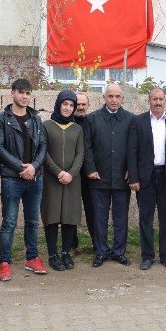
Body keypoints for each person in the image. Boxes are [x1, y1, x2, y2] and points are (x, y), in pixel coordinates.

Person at [0, 79, 48, 281]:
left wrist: (33, 167)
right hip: (11, 179)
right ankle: (4, 262)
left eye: (28, 93)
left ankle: (32, 258)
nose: (25, 97)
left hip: (34, 177)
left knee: (33, 221)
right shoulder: (1, 118)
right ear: (12, 93)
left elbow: (43, 146)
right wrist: (20, 167)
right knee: (9, 222)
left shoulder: (35, 118)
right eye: (21, 92)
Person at [128, 88, 166, 270]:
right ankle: (147, 256)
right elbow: (132, 152)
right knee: (145, 218)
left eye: (161, 99)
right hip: (146, 177)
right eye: (155, 99)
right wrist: (134, 178)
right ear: (149, 101)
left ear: (165, 101)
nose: (158, 102)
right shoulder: (139, 121)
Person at [84, 83, 134, 267]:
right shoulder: (92, 119)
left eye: (117, 96)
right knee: (99, 217)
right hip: (99, 177)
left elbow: (134, 148)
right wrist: (90, 168)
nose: (114, 100)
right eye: (110, 96)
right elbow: (87, 147)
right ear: (104, 98)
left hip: (122, 177)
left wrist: (132, 169)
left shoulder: (130, 119)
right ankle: (101, 251)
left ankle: (119, 251)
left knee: (121, 216)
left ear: (122, 98)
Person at [41, 90, 85, 271]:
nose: (68, 108)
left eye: (71, 105)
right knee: (52, 216)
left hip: (72, 180)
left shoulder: (77, 129)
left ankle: (66, 252)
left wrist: (71, 173)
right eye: (65, 104)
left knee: (69, 215)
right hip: (52, 179)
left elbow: (80, 153)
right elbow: (43, 152)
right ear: (58, 105)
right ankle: (52, 254)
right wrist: (59, 172)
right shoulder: (46, 126)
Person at [72, 93, 95, 254]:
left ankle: (97, 243)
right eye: (77, 104)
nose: (80, 107)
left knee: (93, 210)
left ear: (88, 106)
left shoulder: (92, 122)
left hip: (90, 176)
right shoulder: (67, 123)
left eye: (83, 104)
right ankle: (71, 245)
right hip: (72, 175)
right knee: (71, 210)